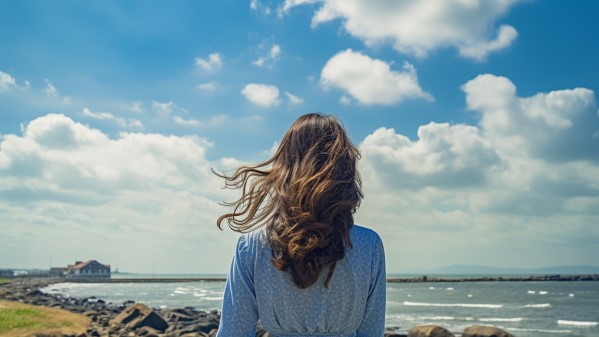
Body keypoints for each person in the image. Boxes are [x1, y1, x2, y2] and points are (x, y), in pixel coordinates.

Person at [214, 113, 386, 337]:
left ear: (285, 167)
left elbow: (233, 332)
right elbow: (372, 332)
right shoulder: (368, 245)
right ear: (344, 169)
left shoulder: (253, 246)